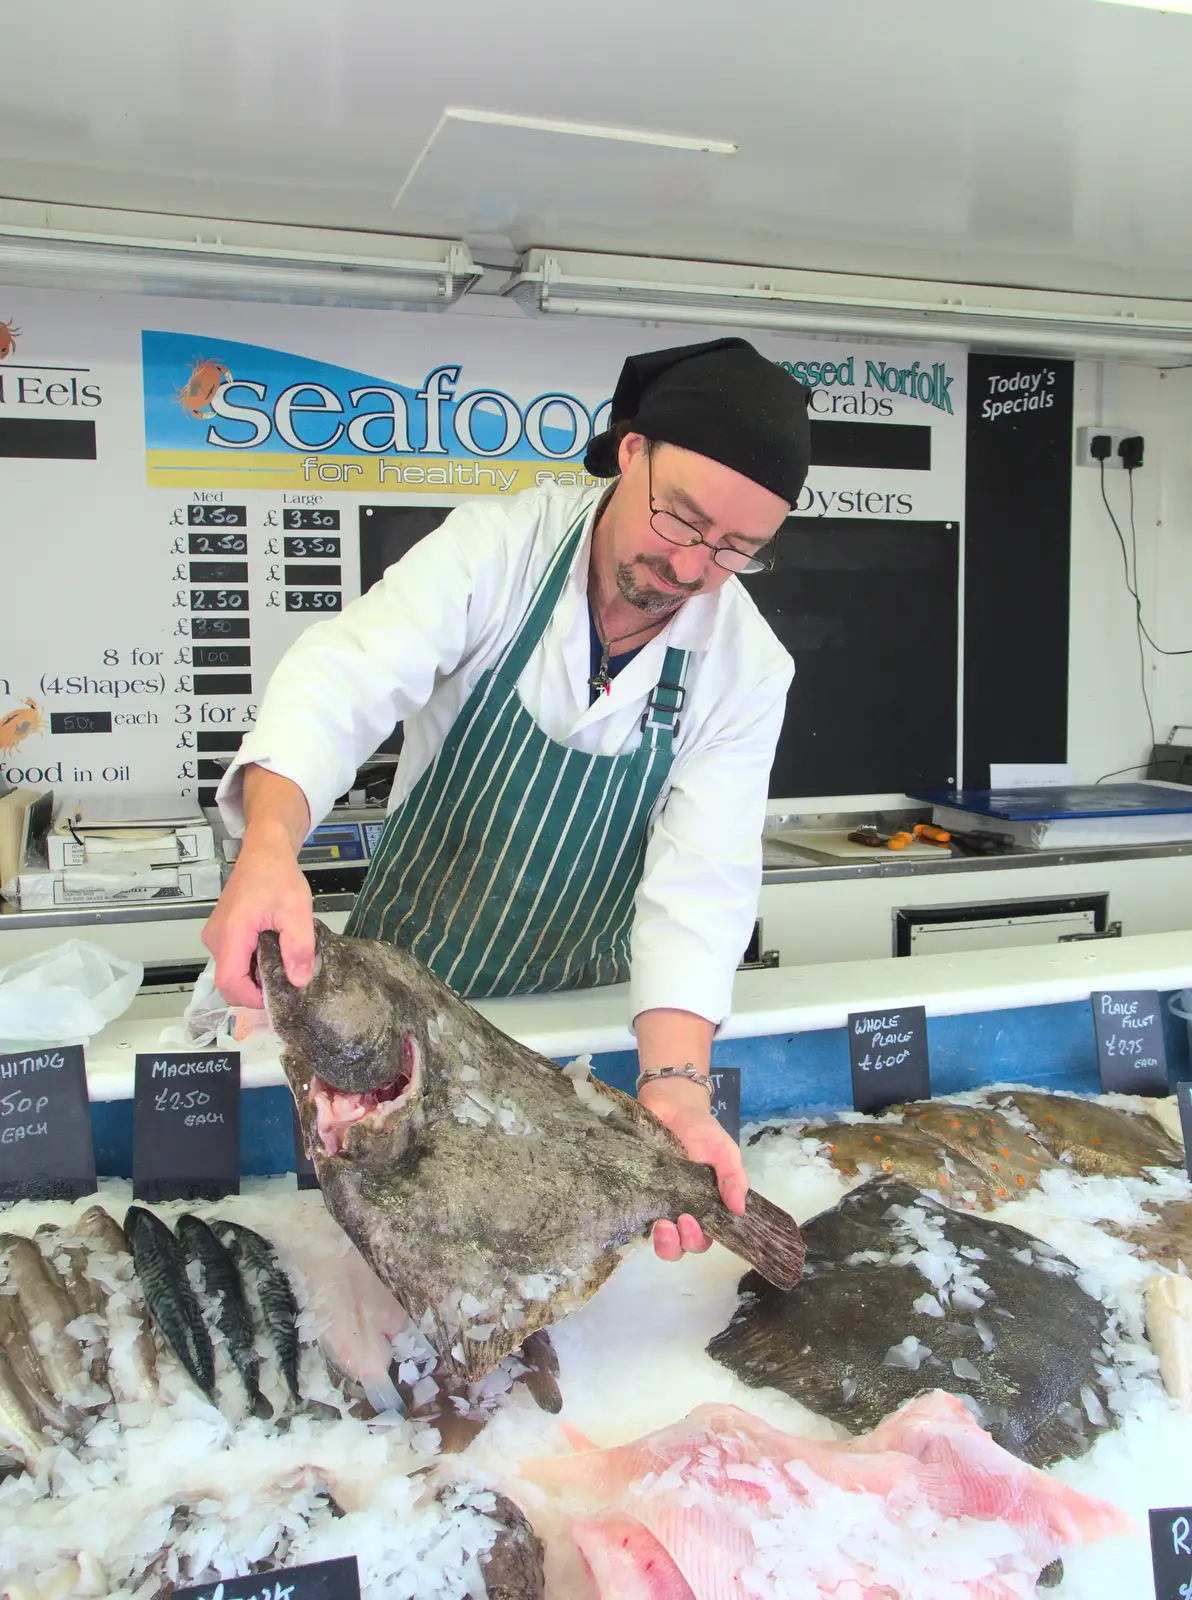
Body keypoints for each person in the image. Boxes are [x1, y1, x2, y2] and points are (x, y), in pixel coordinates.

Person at [205, 336, 810, 1264]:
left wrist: (679, 1085)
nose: (692, 569)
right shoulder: (501, 549)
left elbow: (702, 883)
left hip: (575, 1034)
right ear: (631, 450)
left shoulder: (746, 666)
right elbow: (343, 679)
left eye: (736, 549)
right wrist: (269, 849)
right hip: (397, 1030)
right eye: (681, 521)